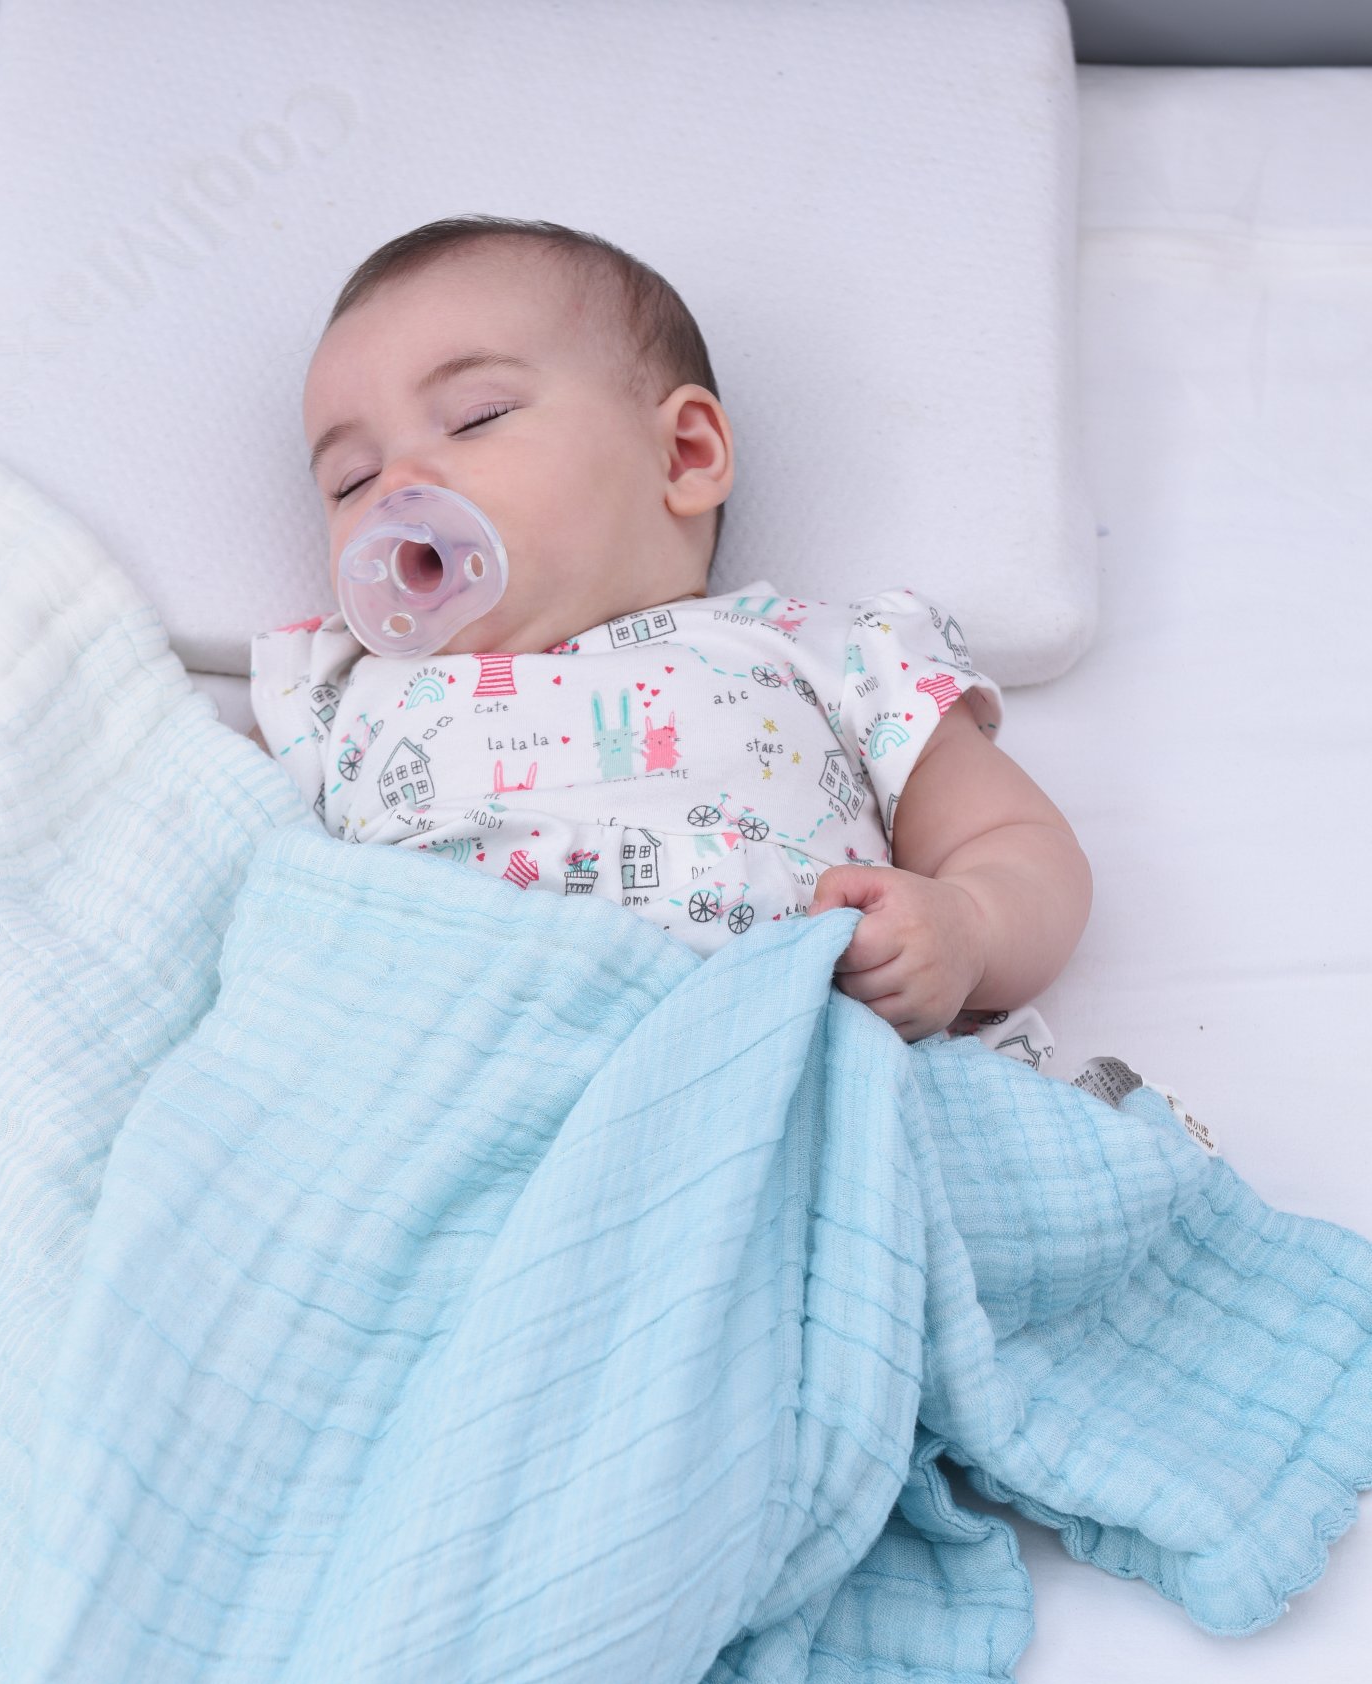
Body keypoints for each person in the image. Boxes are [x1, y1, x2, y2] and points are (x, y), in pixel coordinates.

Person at [250, 214, 1094, 1076]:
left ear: (684, 454)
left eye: (477, 418)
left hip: (759, 1055)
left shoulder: (828, 655)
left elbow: (1011, 838)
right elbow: (211, 847)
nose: (395, 487)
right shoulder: (333, 694)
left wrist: (966, 926)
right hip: (434, 1066)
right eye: (349, 481)